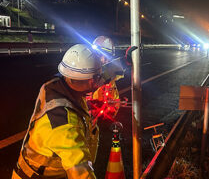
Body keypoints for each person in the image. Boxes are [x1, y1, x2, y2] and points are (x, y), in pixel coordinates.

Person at [12, 43, 135, 179]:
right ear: (90, 81)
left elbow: (103, 73)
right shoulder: (65, 126)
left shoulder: (59, 85)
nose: (101, 80)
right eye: (97, 78)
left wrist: (125, 61)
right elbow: (81, 172)